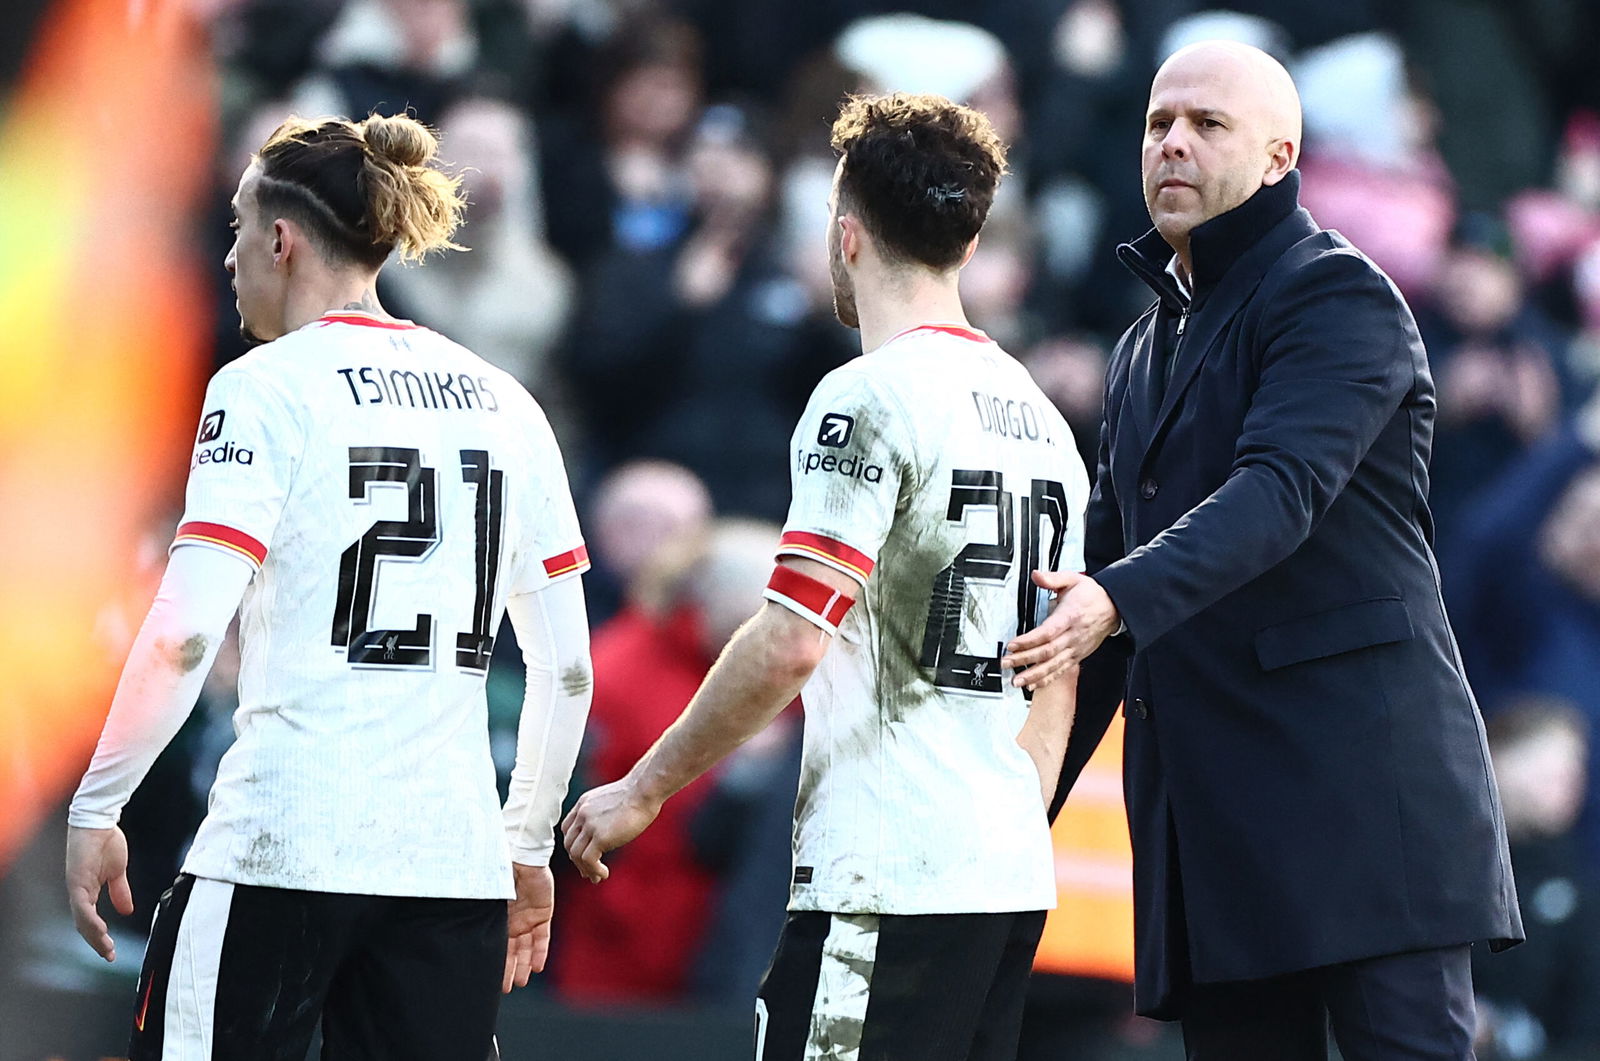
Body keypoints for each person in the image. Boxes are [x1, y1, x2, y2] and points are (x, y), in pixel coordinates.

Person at [1002, 40, 1523, 1060]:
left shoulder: (1338, 295)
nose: (1173, 144)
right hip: (1220, 835)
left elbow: (1279, 491)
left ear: (1280, 157)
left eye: (1207, 125)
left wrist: (1108, 597)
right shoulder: (1139, 343)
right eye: (1158, 123)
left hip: (1363, 809)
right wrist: (1013, 816)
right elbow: (1097, 619)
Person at [561, 92, 1089, 1061]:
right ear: (969, 245)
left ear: (846, 236)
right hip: (1003, 874)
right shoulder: (1045, 423)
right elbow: (1058, 663)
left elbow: (794, 636)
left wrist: (642, 787)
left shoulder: (866, 395)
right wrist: (1007, 821)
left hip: (883, 872)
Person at [64, 112, 594, 1061]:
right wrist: (522, 843)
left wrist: (98, 805)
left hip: (284, 844)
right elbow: (567, 673)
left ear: (282, 238)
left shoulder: (263, 387)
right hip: (452, 869)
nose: (228, 259)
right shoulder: (508, 401)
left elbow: (186, 635)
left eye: (236, 229)